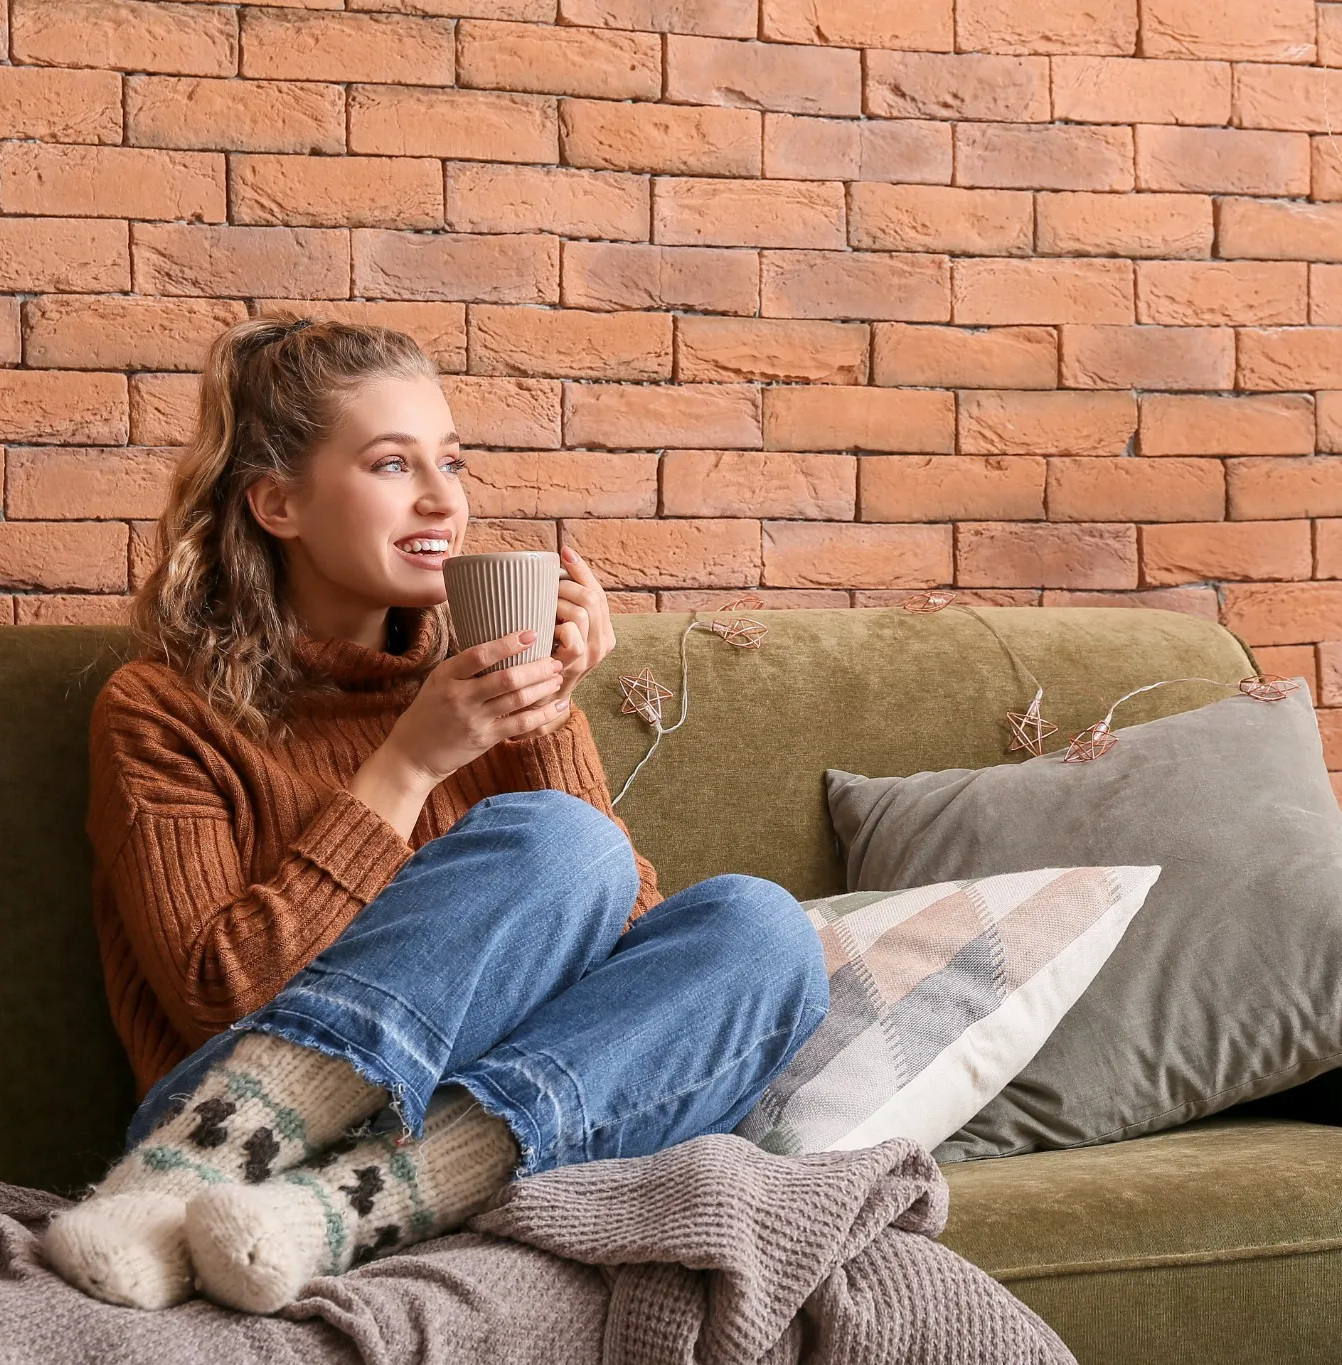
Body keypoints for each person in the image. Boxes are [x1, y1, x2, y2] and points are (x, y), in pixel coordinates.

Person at [40, 317, 830, 1315]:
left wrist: (545, 712)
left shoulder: (477, 677)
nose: (440, 500)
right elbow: (216, 993)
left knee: (761, 929)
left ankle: (347, 1210)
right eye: (389, 464)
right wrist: (408, 763)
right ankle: (175, 1185)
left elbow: (618, 953)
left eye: (451, 463)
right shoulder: (160, 709)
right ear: (277, 502)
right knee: (561, 840)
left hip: (446, 1127)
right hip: (226, 1108)